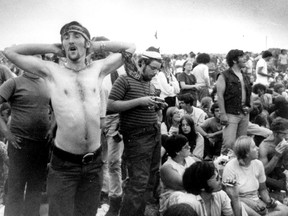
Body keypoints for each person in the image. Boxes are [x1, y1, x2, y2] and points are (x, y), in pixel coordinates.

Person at [4, 21, 136, 216]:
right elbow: (10, 52)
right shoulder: (52, 71)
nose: (70, 40)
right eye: (65, 37)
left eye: (76, 36)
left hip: (93, 163)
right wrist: (52, 48)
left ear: (87, 43)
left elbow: (130, 47)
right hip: (64, 165)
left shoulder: (97, 69)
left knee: (87, 213)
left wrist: (95, 45)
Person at [107, 49, 165, 216]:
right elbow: (111, 105)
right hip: (137, 137)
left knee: (150, 180)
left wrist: (157, 107)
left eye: (158, 69)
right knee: (138, 182)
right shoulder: (124, 80)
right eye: (153, 68)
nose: (155, 73)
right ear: (141, 64)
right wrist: (140, 101)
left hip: (153, 134)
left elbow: (147, 107)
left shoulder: (150, 84)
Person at [0, 71, 51, 216]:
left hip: (42, 145)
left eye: (38, 57)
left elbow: (58, 109)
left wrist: (52, 128)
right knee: (15, 189)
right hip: (19, 145)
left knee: (35, 190)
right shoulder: (14, 83)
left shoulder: (47, 83)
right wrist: (7, 134)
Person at [223, 135, 288, 216]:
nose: (257, 148)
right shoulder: (230, 167)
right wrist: (248, 202)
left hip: (257, 203)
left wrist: (270, 202)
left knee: (285, 210)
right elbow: (229, 196)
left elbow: (263, 189)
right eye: (254, 147)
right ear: (246, 153)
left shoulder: (258, 164)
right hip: (239, 204)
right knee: (240, 206)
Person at [169, 161, 246, 216]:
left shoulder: (220, 194)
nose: (221, 179)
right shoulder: (189, 203)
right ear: (202, 186)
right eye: (217, 178)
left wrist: (235, 197)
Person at [216, 49, 252, 153]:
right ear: (234, 60)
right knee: (229, 144)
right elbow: (220, 96)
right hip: (230, 113)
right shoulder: (223, 75)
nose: (245, 59)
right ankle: (223, 166)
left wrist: (250, 107)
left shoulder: (245, 76)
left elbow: (249, 93)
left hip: (244, 113)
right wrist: (223, 114)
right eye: (242, 57)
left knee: (241, 145)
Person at [159, 134, 197, 214]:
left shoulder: (190, 159)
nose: (189, 147)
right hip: (174, 200)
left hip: (191, 193)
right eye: (186, 147)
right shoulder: (167, 167)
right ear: (177, 151)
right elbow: (184, 184)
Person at [259, 118, 288, 192]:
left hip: (282, 172)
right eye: (284, 134)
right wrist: (276, 156)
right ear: (275, 133)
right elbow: (263, 172)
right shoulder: (265, 146)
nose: (287, 136)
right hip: (270, 175)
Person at [151, 56, 180, 121]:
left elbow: (178, 89)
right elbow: (167, 90)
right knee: (166, 118)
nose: (171, 64)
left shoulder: (170, 74)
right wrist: (174, 88)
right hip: (166, 99)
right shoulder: (161, 74)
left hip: (173, 99)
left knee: (172, 118)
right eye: (170, 62)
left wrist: (171, 84)